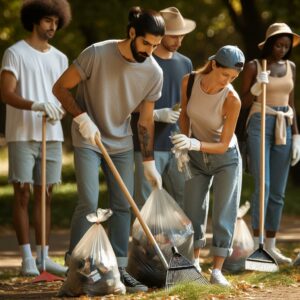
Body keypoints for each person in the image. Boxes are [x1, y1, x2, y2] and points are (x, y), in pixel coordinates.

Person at [52, 7, 164, 293]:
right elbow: (60, 88)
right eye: (146, 43)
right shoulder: (97, 53)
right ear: (131, 33)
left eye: (155, 45)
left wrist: (149, 162)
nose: (150, 51)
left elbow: (147, 120)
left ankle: (120, 271)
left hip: (121, 141)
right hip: (88, 137)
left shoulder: (153, 72)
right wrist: (82, 118)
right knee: (88, 203)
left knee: (122, 206)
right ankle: (75, 268)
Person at [0, 0, 71, 276]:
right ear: (34, 21)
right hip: (22, 134)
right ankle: (26, 257)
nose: (53, 26)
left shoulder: (61, 58)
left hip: (51, 135)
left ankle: (44, 257)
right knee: (23, 193)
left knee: (46, 194)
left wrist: (59, 110)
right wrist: (36, 105)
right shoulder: (14, 53)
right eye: (47, 21)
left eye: (56, 21)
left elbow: (62, 97)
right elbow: (6, 93)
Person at [171, 45, 244, 286]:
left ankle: (217, 272)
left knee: (224, 213)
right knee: (192, 211)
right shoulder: (189, 82)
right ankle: (194, 264)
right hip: (195, 156)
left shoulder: (232, 99)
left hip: (225, 160)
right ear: (214, 65)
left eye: (233, 77)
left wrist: (192, 143)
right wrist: (183, 144)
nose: (228, 81)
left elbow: (223, 145)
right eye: (225, 74)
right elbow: (184, 114)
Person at [240, 23, 300, 264]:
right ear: (269, 44)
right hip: (259, 123)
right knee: (262, 186)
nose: (282, 50)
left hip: (284, 124)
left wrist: (296, 135)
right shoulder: (255, 66)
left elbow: (292, 104)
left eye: (286, 46)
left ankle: (272, 247)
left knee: (278, 191)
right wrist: (256, 87)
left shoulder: (291, 67)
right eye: (278, 45)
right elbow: (242, 101)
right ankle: (258, 245)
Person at [131, 7, 196, 209]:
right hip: (147, 145)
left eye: (182, 37)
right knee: (147, 204)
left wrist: (189, 138)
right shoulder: (142, 61)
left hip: (178, 147)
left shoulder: (186, 63)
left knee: (184, 201)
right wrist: (156, 114)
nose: (179, 42)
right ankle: (145, 242)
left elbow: (188, 106)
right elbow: (126, 103)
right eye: (174, 36)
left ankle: (176, 242)